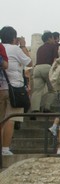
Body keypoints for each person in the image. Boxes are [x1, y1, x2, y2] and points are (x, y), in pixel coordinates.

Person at [0, 26, 32, 157]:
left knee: (1, 119)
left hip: (1, 87)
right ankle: (5, 148)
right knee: (11, 118)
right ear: (14, 38)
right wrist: (23, 45)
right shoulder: (15, 49)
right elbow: (29, 62)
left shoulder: (2, 48)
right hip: (14, 89)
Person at [31, 31, 59, 112]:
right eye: (53, 38)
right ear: (49, 38)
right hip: (47, 67)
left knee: (37, 91)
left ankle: (34, 110)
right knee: (53, 90)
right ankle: (47, 107)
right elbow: (55, 60)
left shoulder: (40, 48)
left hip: (37, 68)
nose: (54, 40)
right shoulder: (53, 46)